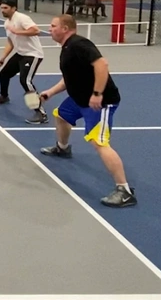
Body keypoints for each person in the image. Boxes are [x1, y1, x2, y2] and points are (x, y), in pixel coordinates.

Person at [37, 14, 136, 208]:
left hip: (100, 102)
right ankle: (63, 148)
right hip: (79, 99)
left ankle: (124, 191)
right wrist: (51, 92)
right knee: (62, 115)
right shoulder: (67, 48)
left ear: (65, 28)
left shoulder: (79, 44)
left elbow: (102, 65)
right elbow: (71, 78)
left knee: (99, 142)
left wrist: (97, 93)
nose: (49, 29)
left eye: (53, 25)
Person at [0, 0, 47, 123]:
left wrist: (16, 31)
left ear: (13, 8)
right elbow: (11, 42)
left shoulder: (22, 18)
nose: (2, 10)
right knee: (4, 73)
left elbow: (36, 31)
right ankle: (4, 96)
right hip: (20, 53)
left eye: (5, 8)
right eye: (1, 8)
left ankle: (40, 113)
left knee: (25, 81)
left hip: (33, 54)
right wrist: (2, 58)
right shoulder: (7, 23)